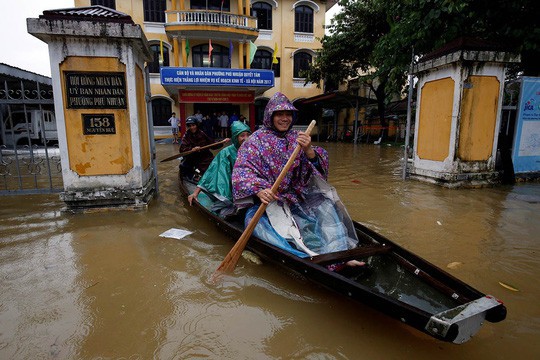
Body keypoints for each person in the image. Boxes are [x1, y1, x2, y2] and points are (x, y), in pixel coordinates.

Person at [231, 92, 364, 268]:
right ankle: (306, 259)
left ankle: (338, 255)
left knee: (327, 207)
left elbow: (318, 169)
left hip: (294, 198)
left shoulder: (298, 139)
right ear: (270, 115)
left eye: (288, 114)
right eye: (280, 114)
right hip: (265, 202)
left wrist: (309, 150)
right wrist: (260, 190)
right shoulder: (255, 141)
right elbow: (241, 172)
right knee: (261, 230)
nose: (284, 118)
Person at [187, 121, 251, 217]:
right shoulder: (226, 152)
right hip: (231, 186)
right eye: (242, 136)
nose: (246, 138)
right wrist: (196, 193)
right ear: (235, 137)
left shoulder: (252, 150)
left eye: (248, 135)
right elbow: (211, 171)